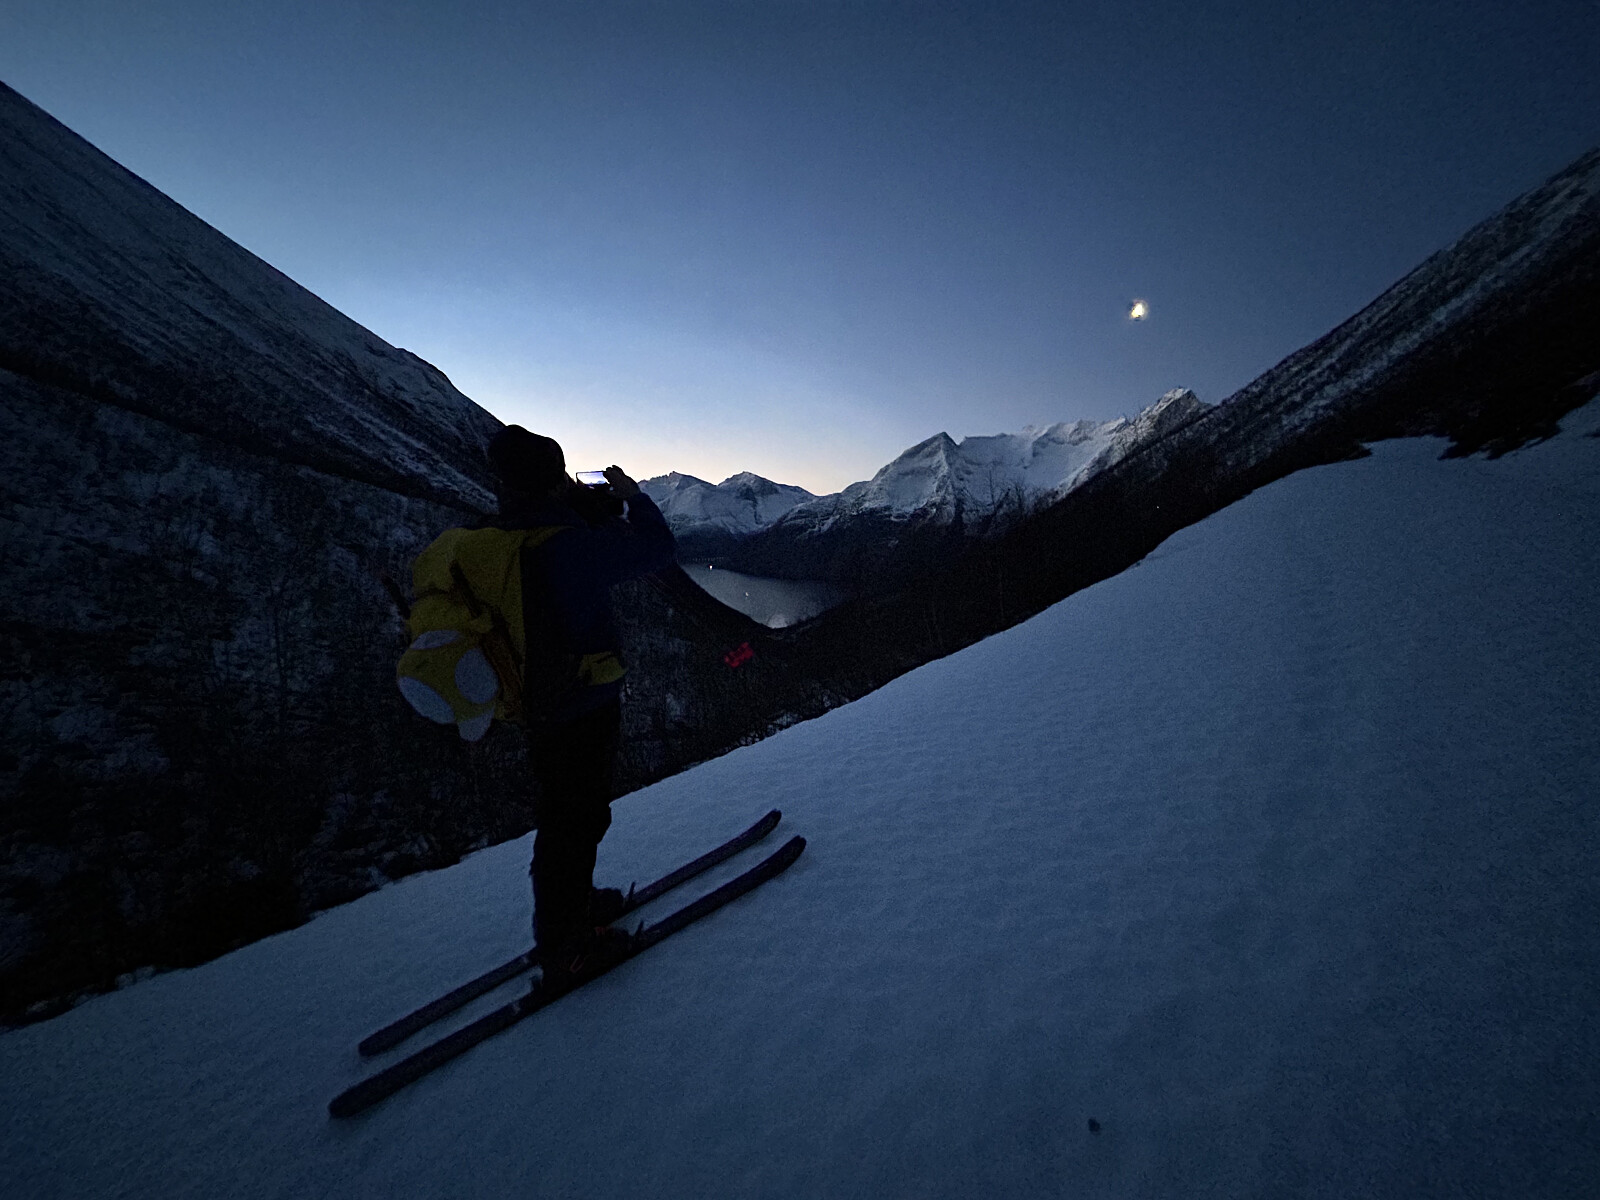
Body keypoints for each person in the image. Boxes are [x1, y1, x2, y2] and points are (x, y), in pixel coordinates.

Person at [482, 425, 676, 990]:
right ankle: (565, 944)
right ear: (553, 480)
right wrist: (634, 499)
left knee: (566, 813)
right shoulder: (565, 543)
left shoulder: (502, 536)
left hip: (534, 699)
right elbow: (657, 549)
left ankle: (573, 907)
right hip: (580, 700)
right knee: (576, 818)